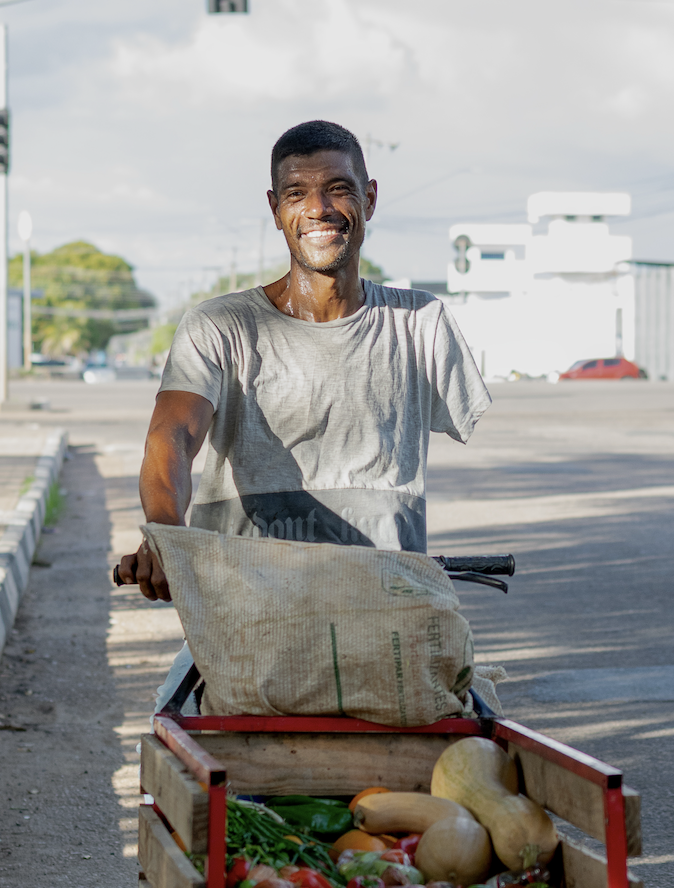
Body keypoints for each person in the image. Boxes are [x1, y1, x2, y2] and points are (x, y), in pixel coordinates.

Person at [115, 120, 490, 709]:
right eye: (297, 193)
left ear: (369, 197)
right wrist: (164, 535)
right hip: (249, 630)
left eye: (339, 189)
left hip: (386, 627)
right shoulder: (221, 327)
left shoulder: (421, 325)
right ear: (275, 208)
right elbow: (172, 437)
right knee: (185, 747)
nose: (320, 208)